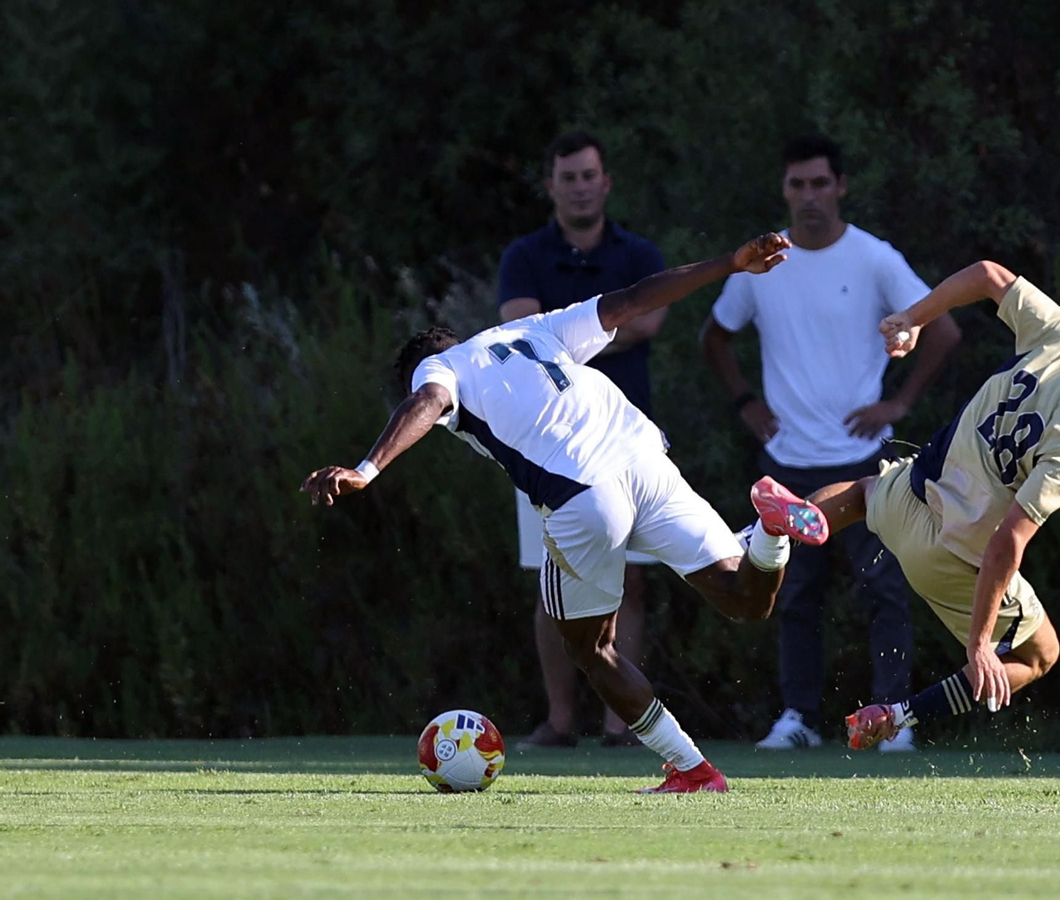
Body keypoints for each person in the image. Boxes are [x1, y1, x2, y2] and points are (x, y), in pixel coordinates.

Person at [300, 233, 826, 794]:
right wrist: (731, 262)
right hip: (646, 460)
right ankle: (771, 530)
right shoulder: (533, 329)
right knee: (745, 599)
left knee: (590, 648)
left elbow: (424, 403)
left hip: (584, 495)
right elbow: (634, 298)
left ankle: (692, 769)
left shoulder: (440, 371)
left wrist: (367, 468)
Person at [779, 260, 1060, 750]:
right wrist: (978, 646)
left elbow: (988, 274)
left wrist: (913, 316)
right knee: (1041, 655)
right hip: (953, 557)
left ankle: (758, 538)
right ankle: (898, 716)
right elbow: (1007, 541)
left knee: (860, 492)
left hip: (906, 495)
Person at [701, 135, 961, 751]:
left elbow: (942, 328)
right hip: (787, 458)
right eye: (798, 185)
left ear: (840, 186)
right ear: (785, 191)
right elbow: (714, 337)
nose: (809, 197)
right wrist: (746, 403)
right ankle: (798, 719)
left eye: (820, 183)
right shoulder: (766, 263)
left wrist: (897, 404)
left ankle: (894, 716)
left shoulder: (874, 258)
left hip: (866, 458)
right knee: (792, 594)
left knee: (885, 588)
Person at [497, 131, 667, 750]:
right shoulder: (525, 255)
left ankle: (622, 725)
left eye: (588, 174)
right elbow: (518, 332)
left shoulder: (639, 253)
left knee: (634, 580)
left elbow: (649, 320)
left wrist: (559, 337)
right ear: (552, 186)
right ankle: (562, 721)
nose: (579, 186)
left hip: (628, 439)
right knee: (552, 578)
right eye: (567, 177)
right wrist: (603, 326)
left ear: (606, 181)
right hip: (544, 443)